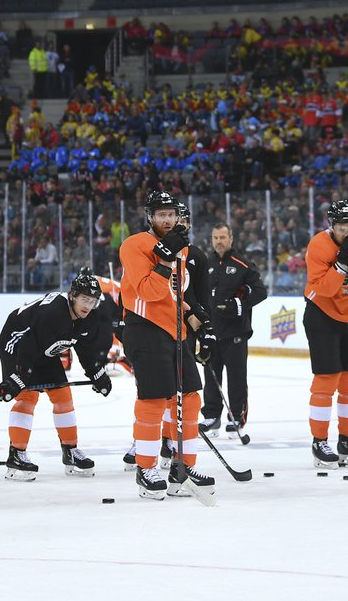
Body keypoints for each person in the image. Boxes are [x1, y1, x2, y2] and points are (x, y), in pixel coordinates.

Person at [118, 191, 214, 504]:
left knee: (189, 397)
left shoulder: (180, 250)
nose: (167, 220)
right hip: (144, 330)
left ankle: (182, 467)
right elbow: (147, 292)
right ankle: (146, 468)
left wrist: (196, 317)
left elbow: (174, 295)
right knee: (154, 399)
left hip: (175, 332)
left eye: (171, 214)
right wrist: (164, 259)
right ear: (150, 217)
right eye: (161, 214)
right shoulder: (134, 245)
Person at [0, 272, 113, 480]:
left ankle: (70, 452)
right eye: (84, 299)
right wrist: (18, 377)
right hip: (17, 343)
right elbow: (30, 345)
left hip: (42, 347)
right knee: (27, 396)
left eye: (92, 301)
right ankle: (16, 454)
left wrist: (97, 372)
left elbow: (84, 348)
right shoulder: (53, 313)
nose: (88, 305)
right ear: (73, 296)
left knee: (63, 395)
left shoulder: (87, 316)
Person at [303, 199, 348, 469]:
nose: (347, 233)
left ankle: (347, 439)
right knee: (327, 379)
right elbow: (322, 289)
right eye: (341, 228)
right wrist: (343, 267)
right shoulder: (318, 246)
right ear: (331, 226)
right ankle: (319, 441)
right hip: (321, 314)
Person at [200, 222, 267, 439]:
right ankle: (211, 416)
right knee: (211, 376)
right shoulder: (205, 264)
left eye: (222, 237)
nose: (219, 242)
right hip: (211, 331)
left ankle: (236, 415)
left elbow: (260, 292)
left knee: (237, 376)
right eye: (215, 238)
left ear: (231, 239)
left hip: (235, 332)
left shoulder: (243, 264)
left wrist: (238, 305)